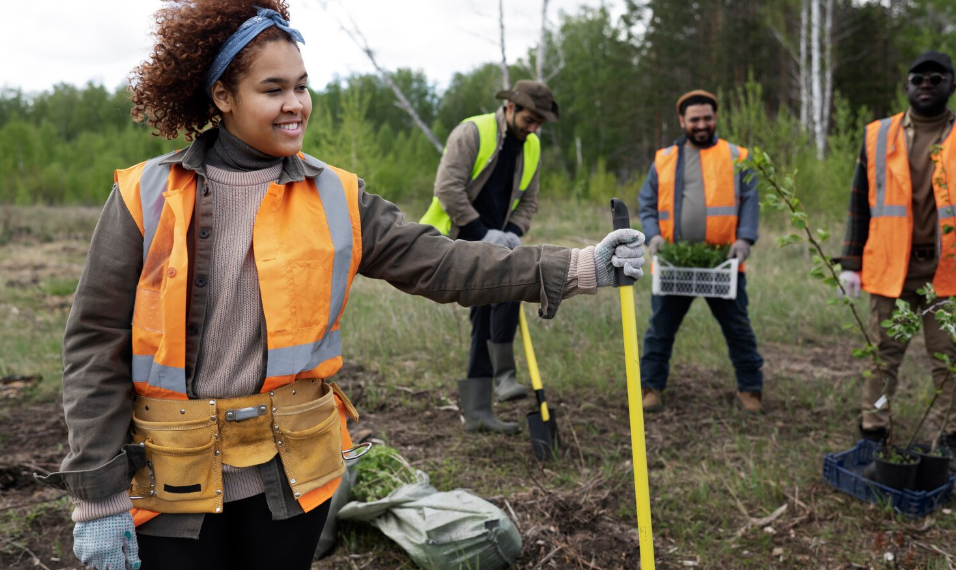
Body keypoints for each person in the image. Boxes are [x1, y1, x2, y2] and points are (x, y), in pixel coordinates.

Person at [33, 2, 646, 569]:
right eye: (273, 89)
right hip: (171, 479)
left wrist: (577, 267)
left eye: (302, 86)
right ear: (222, 96)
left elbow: (443, 264)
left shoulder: (337, 196)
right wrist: (97, 496)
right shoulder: (144, 194)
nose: (295, 104)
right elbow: (94, 343)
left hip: (290, 477)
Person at [420, 80, 559, 433]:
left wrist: (512, 230)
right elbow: (447, 188)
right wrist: (483, 232)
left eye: (539, 123)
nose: (533, 129)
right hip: (460, 239)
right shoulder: (472, 132)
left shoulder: (531, 145)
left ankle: (479, 411)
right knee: (508, 290)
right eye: (529, 120)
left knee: (488, 315)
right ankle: (503, 376)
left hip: (499, 239)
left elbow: (529, 199)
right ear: (511, 108)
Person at [836, 50, 956, 447]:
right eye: (918, 78)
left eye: (936, 78)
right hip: (892, 270)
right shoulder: (878, 135)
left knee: (948, 361)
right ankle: (875, 429)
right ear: (906, 85)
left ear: (951, 85)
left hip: (948, 275)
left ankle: (948, 435)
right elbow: (859, 202)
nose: (926, 85)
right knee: (882, 357)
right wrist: (851, 262)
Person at [637, 90, 764, 414]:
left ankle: (750, 389)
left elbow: (750, 200)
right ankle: (651, 387)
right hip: (674, 263)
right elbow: (647, 204)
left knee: (738, 329)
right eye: (695, 119)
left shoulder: (737, 156)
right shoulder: (664, 159)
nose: (702, 124)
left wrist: (745, 240)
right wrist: (653, 237)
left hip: (723, 264)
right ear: (682, 121)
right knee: (660, 330)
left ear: (716, 117)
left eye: (708, 118)